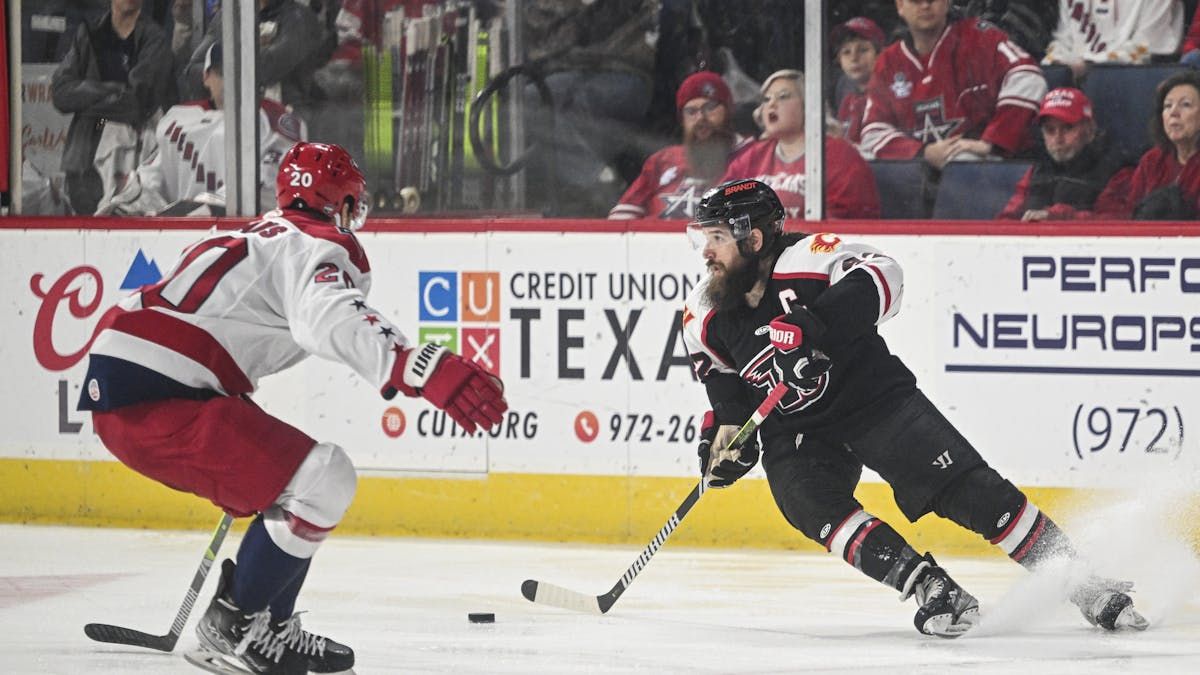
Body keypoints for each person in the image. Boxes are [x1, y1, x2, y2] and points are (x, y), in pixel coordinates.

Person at [76, 141, 508, 673]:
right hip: (156, 396)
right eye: (352, 202)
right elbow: (327, 319)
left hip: (136, 383)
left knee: (300, 479)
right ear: (339, 203)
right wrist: (417, 365)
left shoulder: (257, 234)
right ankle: (233, 626)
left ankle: (266, 628)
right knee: (323, 479)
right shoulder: (317, 244)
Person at [680, 178, 1149, 638]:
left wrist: (817, 327)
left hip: (872, 398)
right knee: (804, 500)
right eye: (705, 239)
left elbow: (884, 273)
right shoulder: (705, 312)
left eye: (717, 238)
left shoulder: (806, 258)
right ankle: (928, 585)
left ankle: (1081, 581)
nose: (706, 252)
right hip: (798, 430)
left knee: (971, 492)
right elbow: (725, 390)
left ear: (753, 237)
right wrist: (726, 439)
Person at [97, 41, 307, 216]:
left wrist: (199, 209)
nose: (233, 79)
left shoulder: (276, 120)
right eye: (223, 72)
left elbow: (269, 185)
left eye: (242, 70)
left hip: (248, 235)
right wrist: (127, 204)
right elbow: (150, 179)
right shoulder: (178, 120)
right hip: (183, 232)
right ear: (206, 77)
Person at [859, 0, 1047, 170]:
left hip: (983, 165)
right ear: (900, 6)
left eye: (932, 0)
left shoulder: (981, 37)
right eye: (916, 0)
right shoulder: (888, 61)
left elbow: (1028, 77)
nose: (925, 6)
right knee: (861, 156)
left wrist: (992, 142)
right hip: (917, 168)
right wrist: (924, 152)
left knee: (962, 161)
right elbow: (873, 130)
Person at [51, 0, 175, 215]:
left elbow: (137, 103)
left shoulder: (155, 39)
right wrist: (111, 89)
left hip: (135, 158)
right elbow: (61, 93)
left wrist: (84, 99)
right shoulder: (88, 33)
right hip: (84, 155)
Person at [721, 70, 881, 220]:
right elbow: (722, 206)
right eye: (767, 99)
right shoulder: (751, 157)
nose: (772, 104)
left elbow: (850, 220)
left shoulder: (841, 156)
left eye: (783, 96)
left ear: (809, 105)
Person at [609, 71, 750, 220]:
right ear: (682, 120)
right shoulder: (662, 160)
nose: (701, 117)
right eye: (691, 111)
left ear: (728, 111)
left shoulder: (756, 155)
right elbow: (619, 223)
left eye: (710, 107)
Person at [998, 87, 1134, 220]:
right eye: (1050, 130)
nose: (1058, 139)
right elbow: (1008, 217)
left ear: (1089, 129)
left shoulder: (1116, 170)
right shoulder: (1036, 170)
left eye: (1068, 128)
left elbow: (1115, 223)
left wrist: (1061, 217)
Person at [1112, 69, 1200, 219]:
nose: (1174, 112)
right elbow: (1131, 213)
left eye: (1185, 105)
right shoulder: (1152, 160)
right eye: (1167, 106)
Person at [1043, 0, 1184, 81]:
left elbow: (1147, 47)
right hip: (1075, 75)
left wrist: (1089, 63)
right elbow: (1063, 38)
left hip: (1130, 79)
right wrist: (1055, 60)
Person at [831, 17, 885, 144]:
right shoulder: (848, 102)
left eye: (863, 50)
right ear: (839, 60)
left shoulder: (888, 97)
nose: (854, 58)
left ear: (879, 54)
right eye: (846, 52)